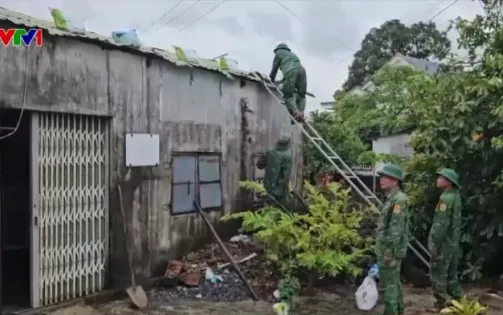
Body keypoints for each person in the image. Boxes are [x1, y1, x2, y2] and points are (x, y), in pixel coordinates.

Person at [375, 164, 409, 315]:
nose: (381, 180)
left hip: (391, 251)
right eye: (381, 177)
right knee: (394, 283)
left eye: (385, 177)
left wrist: (389, 251)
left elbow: (395, 228)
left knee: (389, 286)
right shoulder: (392, 198)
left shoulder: (399, 200)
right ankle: (399, 311)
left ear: (395, 181)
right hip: (387, 249)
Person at [428, 168, 463, 311]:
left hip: (443, 244)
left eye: (441, 178)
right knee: (451, 275)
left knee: (438, 275)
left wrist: (434, 243)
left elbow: (440, 225)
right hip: (453, 243)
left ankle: (445, 304)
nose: (438, 180)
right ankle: (458, 300)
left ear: (448, 182)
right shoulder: (456, 196)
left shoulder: (445, 199)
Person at [269, 43, 307, 123]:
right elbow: (294, 68)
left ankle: (296, 113)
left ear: (277, 50)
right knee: (302, 95)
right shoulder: (293, 55)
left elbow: (275, 67)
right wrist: (283, 80)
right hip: (302, 71)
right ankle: (301, 113)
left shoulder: (279, 53)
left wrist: (271, 79)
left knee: (287, 95)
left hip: (291, 72)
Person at [263, 134, 293, 207]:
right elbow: (286, 173)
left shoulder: (270, 152)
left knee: (268, 202)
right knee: (280, 205)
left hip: (268, 183)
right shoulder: (288, 155)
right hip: (280, 185)